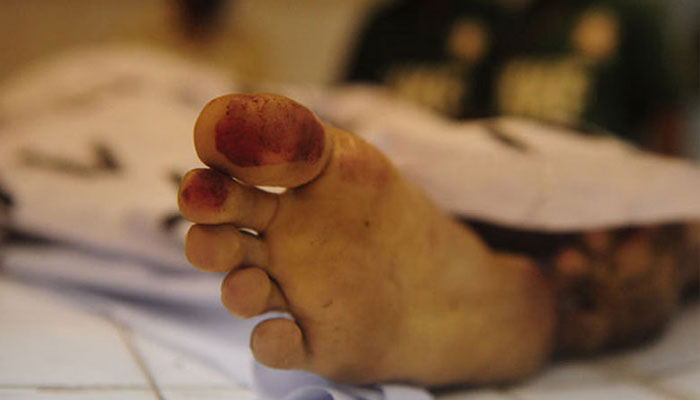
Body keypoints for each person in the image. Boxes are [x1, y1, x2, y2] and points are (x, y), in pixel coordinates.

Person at [178, 93, 699, 386]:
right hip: (439, 200)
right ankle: (541, 305)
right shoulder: (394, 28)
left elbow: (665, 132)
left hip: (562, 187)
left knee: (651, 229)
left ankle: (527, 304)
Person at [345, 0, 686, 155]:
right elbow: (481, 114)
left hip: (602, 196)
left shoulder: (631, 15)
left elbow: (666, 114)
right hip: (518, 190)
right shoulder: (517, 23)